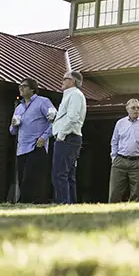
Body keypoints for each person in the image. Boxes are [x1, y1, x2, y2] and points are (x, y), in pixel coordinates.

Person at [9, 77, 54, 203]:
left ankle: (25, 203)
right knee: (22, 178)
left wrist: (44, 137)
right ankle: (26, 203)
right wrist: (13, 125)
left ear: (33, 89)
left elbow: (55, 122)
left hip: (36, 147)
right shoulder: (19, 108)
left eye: (24, 86)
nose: (20, 88)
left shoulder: (43, 102)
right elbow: (12, 132)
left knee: (30, 179)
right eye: (19, 86)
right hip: (21, 148)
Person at [109, 98, 139, 202]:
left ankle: (134, 216)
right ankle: (112, 215)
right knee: (114, 192)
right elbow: (114, 141)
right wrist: (114, 157)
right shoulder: (120, 123)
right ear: (127, 109)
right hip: (120, 161)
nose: (136, 110)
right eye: (133, 108)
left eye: (138, 108)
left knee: (136, 194)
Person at [51, 71, 87, 204]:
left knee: (59, 174)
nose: (62, 80)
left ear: (73, 81)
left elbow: (73, 118)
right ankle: (70, 203)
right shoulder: (70, 95)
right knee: (68, 175)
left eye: (65, 78)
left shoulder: (75, 94)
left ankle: (63, 203)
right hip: (69, 138)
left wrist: (61, 135)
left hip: (68, 138)